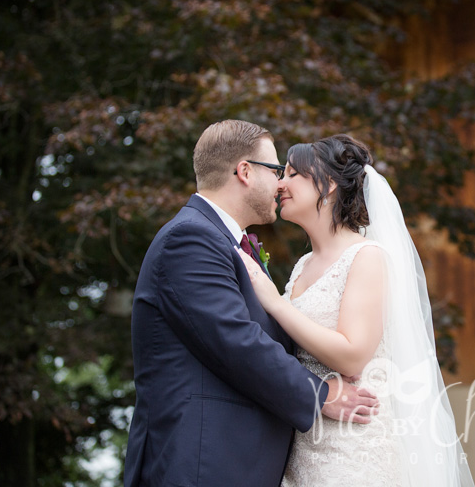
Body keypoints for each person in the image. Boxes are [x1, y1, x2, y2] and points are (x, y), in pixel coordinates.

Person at [125, 120, 379, 487]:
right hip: (201, 462)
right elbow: (235, 340)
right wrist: (320, 394)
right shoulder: (190, 238)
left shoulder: (227, 243)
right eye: (277, 170)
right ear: (244, 171)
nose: (280, 183)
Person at [238, 134, 475, 487]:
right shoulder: (303, 265)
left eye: (292, 174)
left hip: (352, 448)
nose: (279, 183)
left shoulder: (367, 257)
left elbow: (352, 356)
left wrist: (273, 302)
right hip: (303, 448)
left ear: (329, 184)